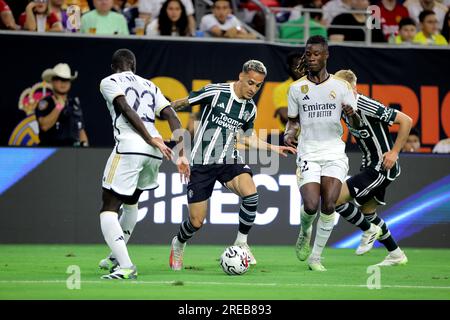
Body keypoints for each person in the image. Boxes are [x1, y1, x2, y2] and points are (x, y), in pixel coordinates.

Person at [168, 60, 296, 271]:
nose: (253, 89)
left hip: (229, 159)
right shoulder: (216, 92)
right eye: (251, 83)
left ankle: (241, 242)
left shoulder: (249, 109)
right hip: (201, 163)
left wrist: (274, 148)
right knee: (196, 222)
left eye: (258, 86)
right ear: (241, 76)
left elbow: (247, 138)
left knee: (251, 194)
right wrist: (162, 109)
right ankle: (179, 243)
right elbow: (184, 103)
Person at [97, 49, 189, 279]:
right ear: (134, 67)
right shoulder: (150, 85)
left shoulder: (109, 81)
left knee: (108, 207)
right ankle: (116, 256)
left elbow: (125, 109)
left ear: (113, 67)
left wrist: (148, 138)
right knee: (130, 202)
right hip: (154, 152)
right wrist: (181, 153)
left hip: (131, 146)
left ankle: (126, 265)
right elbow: (172, 116)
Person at [284, 35, 359, 271]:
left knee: (329, 204)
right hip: (308, 152)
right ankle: (304, 231)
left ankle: (316, 257)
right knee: (310, 205)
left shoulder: (341, 86)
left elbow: (356, 125)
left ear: (326, 55)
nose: (312, 58)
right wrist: (289, 134)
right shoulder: (296, 88)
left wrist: (351, 114)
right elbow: (293, 122)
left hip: (334, 152)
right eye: (308, 54)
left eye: (317, 54)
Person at [334, 69, 412, 266]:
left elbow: (406, 121)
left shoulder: (365, 104)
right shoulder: (343, 108)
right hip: (369, 164)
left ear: (353, 87)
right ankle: (396, 254)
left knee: (334, 199)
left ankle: (368, 230)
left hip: (381, 166)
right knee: (369, 213)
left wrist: (394, 152)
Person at [36, 63, 89, 147]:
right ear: (52, 81)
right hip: (50, 151)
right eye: (59, 79)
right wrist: (58, 107)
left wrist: (86, 147)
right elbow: (44, 126)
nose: (63, 83)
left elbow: (80, 129)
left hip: (73, 152)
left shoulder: (74, 103)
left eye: (66, 79)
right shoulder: (46, 102)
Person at [272, 51, 304, 132]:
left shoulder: (314, 86)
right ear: (289, 68)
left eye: (302, 66)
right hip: (289, 138)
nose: (300, 70)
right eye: (296, 66)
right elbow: (287, 116)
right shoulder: (281, 89)